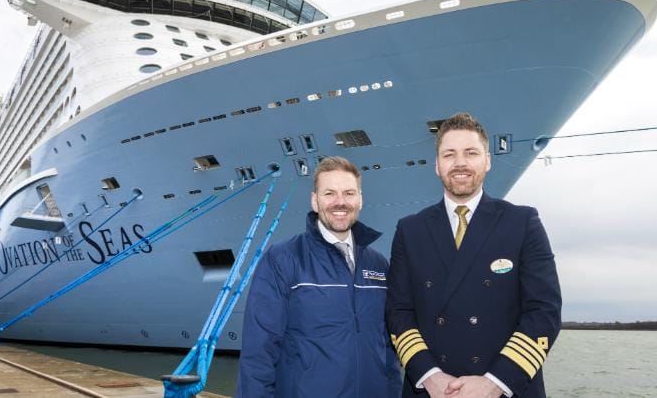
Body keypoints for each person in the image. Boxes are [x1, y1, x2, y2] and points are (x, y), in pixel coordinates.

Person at [386, 113, 561, 398]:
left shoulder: (522, 223)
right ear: (437, 165)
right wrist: (430, 376)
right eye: (449, 154)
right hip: (432, 390)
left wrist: (495, 382)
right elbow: (398, 312)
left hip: (506, 388)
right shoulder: (410, 230)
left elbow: (544, 311)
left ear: (487, 161)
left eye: (471, 153)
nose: (460, 163)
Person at [237, 156, 402, 398]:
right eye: (329, 193)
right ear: (315, 201)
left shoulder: (378, 265)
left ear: (360, 199)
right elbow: (259, 351)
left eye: (348, 193)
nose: (340, 202)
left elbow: (387, 349)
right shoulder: (283, 259)